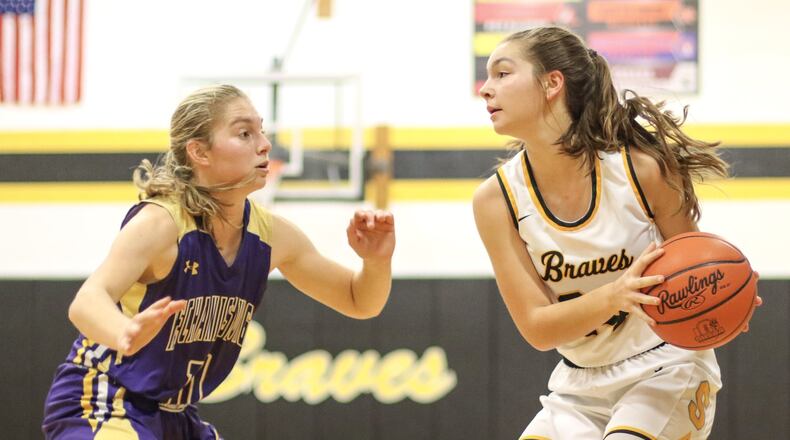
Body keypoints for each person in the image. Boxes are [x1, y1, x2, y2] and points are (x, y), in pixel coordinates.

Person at [42, 84, 396, 439]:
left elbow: (358, 300)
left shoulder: (271, 235)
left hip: (175, 416)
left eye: (262, 131)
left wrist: (377, 263)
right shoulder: (162, 224)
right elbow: (87, 302)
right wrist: (124, 332)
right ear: (199, 152)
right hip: (104, 397)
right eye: (245, 133)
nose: (264, 144)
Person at [473, 26, 761, 439]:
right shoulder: (495, 200)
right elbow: (537, 328)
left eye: (502, 73)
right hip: (578, 384)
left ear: (553, 82)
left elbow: (698, 267)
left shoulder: (642, 170)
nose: (486, 89)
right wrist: (615, 295)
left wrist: (725, 301)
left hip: (667, 364)